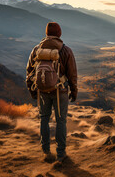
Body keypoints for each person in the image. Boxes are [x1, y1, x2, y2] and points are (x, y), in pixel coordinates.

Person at [26, 22, 78, 162]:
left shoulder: (37, 49)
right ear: (59, 33)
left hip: (42, 91)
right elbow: (72, 74)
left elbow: (29, 72)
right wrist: (74, 91)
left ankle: (46, 151)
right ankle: (61, 154)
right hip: (60, 91)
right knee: (61, 121)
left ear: (46, 33)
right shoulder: (66, 50)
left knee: (44, 118)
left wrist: (33, 91)